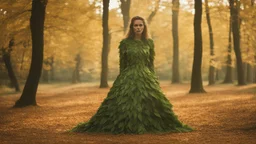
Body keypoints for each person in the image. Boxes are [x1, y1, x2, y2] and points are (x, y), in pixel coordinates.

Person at [72, 16, 192, 134]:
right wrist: (121, 80)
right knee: (124, 102)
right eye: (136, 25)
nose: (138, 27)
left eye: (140, 25)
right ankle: (124, 125)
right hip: (128, 76)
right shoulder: (125, 43)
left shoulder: (149, 43)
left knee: (152, 101)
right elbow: (122, 63)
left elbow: (150, 63)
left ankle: (149, 125)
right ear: (132, 27)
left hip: (146, 76)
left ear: (144, 27)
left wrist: (154, 79)